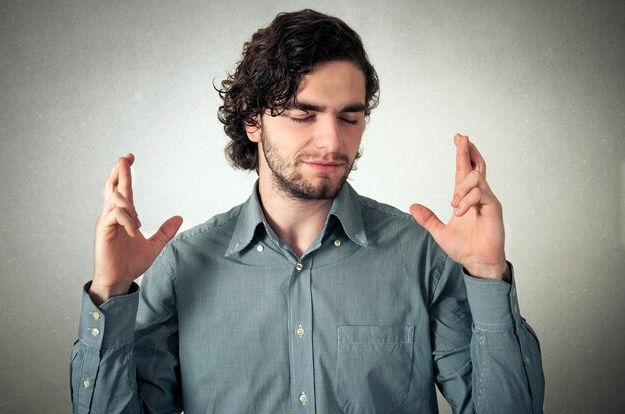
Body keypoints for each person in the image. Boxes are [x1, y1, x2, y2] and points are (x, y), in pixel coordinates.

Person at [70, 9, 544, 414]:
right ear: (252, 118)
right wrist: (111, 293)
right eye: (303, 115)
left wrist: (485, 273)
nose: (332, 142)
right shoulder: (183, 264)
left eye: (350, 117)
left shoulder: (421, 254)